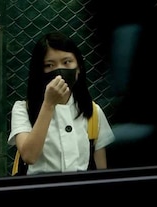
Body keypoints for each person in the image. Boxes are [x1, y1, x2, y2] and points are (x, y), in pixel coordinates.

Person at [8, 31, 115, 175]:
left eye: (67, 62)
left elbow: (101, 170)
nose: (59, 70)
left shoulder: (93, 111)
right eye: (49, 65)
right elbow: (29, 156)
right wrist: (48, 104)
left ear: (78, 68)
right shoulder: (22, 109)